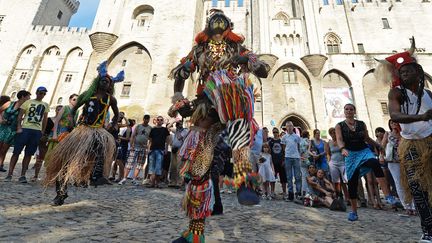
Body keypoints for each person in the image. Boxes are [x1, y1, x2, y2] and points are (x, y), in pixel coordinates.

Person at [169, 9, 269, 242]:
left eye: (222, 19)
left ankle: (244, 179)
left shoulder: (236, 48)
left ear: (228, 26)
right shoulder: (199, 50)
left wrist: (246, 59)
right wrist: (178, 98)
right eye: (214, 18)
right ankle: (196, 232)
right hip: (207, 105)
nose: (218, 20)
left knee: (237, 121)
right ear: (207, 25)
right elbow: (181, 73)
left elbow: (262, 69)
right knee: (198, 166)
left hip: (233, 99)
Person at [44, 61, 122, 206]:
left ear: (110, 85)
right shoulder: (87, 95)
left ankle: (97, 175)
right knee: (64, 160)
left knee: (101, 148)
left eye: (108, 82)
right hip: (81, 130)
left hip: (97, 131)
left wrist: (113, 124)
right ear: (98, 81)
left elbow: (117, 114)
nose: (105, 84)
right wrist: (73, 123)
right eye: (103, 81)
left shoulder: (111, 99)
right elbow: (74, 109)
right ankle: (61, 193)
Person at [380, 38, 432, 241]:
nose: (404, 74)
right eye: (401, 72)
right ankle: (428, 230)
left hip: (430, 142)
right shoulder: (396, 93)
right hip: (411, 145)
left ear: (418, 72)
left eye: (408, 70)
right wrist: (421, 117)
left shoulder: (428, 93)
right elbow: (395, 115)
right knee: (417, 187)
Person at [335, 103, 397, 221]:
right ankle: (354, 212)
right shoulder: (339, 125)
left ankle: (388, 195)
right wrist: (342, 148)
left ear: (354, 111)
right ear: (344, 111)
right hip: (350, 154)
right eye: (347, 109)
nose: (349, 111)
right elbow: (339, 139)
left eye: (351, 109)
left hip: (363, 151)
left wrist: (378, 146)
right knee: (352, 183)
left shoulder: (361, 124)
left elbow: (367, 138)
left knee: (374, 163)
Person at [5, 87, 49, 183]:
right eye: (41, 93)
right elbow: (20, 116)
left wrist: (42, 131)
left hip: (36, 131)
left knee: (29, 154)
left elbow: (45, 119)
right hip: (25, 129)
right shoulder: (27, 102)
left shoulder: (45, 105)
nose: (42, 95)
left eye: (44, 94)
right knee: (16, 152)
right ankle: (10, 174)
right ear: (37, 92)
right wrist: (19, 127)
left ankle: (23, 175)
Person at [382, 120, 416, 215]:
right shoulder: (387, 134)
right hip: (393, 161)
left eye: (395, 122)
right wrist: (381, 156)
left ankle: (413, 205)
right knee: (399, 183)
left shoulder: (404, 133)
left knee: (410, 182)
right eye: (392, 122)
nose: (394, 124)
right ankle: (406, 206)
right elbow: (382, 146)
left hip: (406, 160)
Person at [0, 90, 31, 172]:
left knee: (5, 148)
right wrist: (1, 119)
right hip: (3, 127)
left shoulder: (24, 107)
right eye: (28, 97)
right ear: (23, 97)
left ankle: (1, 164)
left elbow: (24, 117)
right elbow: (0, 110)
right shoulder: (10, 103)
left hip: (12, 129)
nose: (29, 98)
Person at [119, 115, 151, 185]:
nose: (146, 120)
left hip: (143, 148)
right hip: (135, 146)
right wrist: (132, 145)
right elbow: (133, 136)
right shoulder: (138, 126)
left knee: (139, 164)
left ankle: (134, 179)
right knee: (129, 162)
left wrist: (148, 147)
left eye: (148, 119)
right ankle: (124, 178)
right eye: (145, 119)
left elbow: (150, 139)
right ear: (143, 119)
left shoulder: (150, 128)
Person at [32, 105, 62, 181]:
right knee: (40, 158)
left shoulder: (63, 123)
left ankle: (48, 177)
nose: (59, 111)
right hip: (45, 140)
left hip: (56, 141)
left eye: (61, 110)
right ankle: (35, 175)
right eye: (58, 110)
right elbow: (43, 129)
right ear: (55, 110)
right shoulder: (49, 119)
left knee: (52, 159)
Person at [325, 127, 349, 202]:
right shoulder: (329, 143)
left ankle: (348, 197)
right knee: (336, 181)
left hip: (342, 162)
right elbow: (328, 153)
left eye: (334, 132)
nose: (333, 134)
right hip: (333, 163)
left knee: (345, 180)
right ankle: (339, 196)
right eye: (331, 133)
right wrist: (329, 162)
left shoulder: (341, 141)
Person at [281, 121, 302, 202]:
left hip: (296, 157)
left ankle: (298, 194)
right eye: (288, 126)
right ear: (286, 128)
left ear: (293, 127)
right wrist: (285, 156)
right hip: (287, 158)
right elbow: (283, 148)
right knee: (289, 177)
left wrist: (299, 155)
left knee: (297, 177)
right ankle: (290, 195)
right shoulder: (284, 137)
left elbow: (299, 147)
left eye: (291, 126)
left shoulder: (297, 137)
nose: (289, 127)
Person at [147, 116, 170, 188]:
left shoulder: (165, 130)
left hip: (160, 150)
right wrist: (148, 149)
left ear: (163, 121)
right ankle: (152, 183)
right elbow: (150, 140)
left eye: (161, 120)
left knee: (159, 167)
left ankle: (157, 183)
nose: (159, 121)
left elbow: (167, 140)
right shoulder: (153, 129)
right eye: (158, 120)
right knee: (151, 167)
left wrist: (166, 149)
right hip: (152, 149)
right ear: (156, 121)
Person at [169, 121, 189, 188]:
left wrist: (177, 130)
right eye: (178, 124)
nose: (178, 125)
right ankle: (172, 181)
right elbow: (168, 127)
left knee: (179, 166)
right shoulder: (176, 130)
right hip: (174, 149)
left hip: (180, 150)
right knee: (173, 166)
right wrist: (174, 122)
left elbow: (179, 137)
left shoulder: (185, 131)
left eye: (180, 124)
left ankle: (179, 182)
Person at [268, 127, 286, 198]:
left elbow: (284, 151)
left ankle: (284, 192)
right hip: (274, 163)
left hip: (281, 162)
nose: (275, 133)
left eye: (276, 132)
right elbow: (269, 152)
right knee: (273, 178)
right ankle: (272, 192)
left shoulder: (281, 141)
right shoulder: (271, 142)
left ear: (278, 133)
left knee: (283, 178)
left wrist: (284, 160)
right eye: (274, 132)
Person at [299, 131, 311, 196]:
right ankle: (307, 191)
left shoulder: (300, 141)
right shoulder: (308, 141)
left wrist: (301, 157)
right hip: (307, 158)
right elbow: (308, 151)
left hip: (301, 159)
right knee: (307, 175)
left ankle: (303, 191)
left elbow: (300, 151)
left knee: (303, 176)